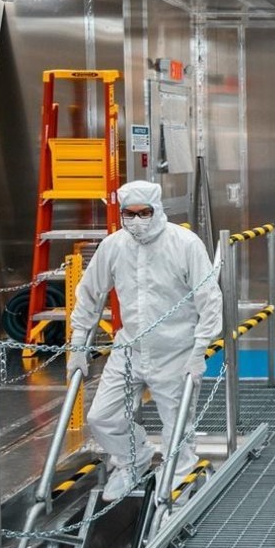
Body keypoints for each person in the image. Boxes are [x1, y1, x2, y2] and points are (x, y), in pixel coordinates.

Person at [67, 180, 222, 501]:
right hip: (129, 350)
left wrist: (199, 350)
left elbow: (210, 300)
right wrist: (79, 343)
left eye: (144, 213)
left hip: (175, 351)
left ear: (158, 209)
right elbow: (89, 294)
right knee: (102, 417)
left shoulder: (185, 244)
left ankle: (175, 496)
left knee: (177, 430)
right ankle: (132, 460)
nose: (137, 220)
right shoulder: (114, 246)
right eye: (129, 214)